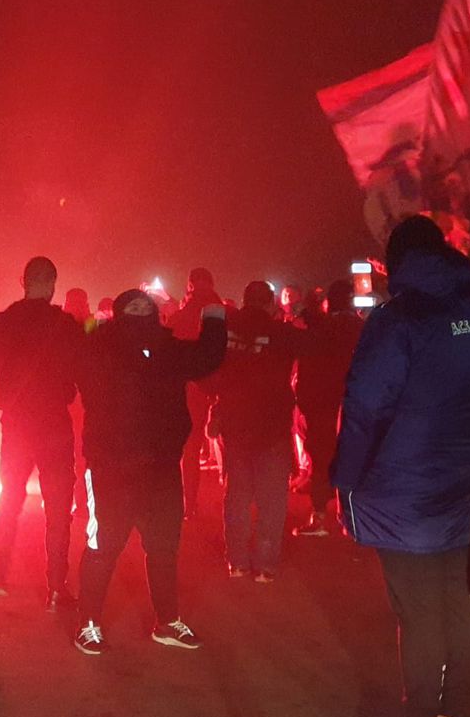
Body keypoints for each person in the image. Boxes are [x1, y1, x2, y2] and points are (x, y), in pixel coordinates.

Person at [333, 216, 470, 717]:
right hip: (457, 480)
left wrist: (345, 480)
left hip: (400, 485)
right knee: (452, 598)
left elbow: (363, 408)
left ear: (396, 260)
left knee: (418, 609)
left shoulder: (398, 319)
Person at [73, 289, 226, 654]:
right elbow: (73, 348)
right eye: (132, 306)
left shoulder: (168, 348)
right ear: (119, 312)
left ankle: (167, 620)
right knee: (103, 547)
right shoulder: (98, 346)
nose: (140, 312)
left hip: (160, 466)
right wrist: (93, 321)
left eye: (146, 306)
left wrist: (215, 320)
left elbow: (206, 358)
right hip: (112, 466)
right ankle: (88, 623)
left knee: (163, 547)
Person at [0, 257, 85, 609]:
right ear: (53, 283)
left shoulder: (3, 321)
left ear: (22, 280)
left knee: (9, 499)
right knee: (58, 507)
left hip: (16, 421)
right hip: (54, 421)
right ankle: (57, 586)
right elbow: (80, 365)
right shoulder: (66, 324)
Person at [210, 281, 303, 582]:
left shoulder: (225, 331)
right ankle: (265, 566)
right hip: (272, 424)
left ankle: (236, 562)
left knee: (236, 494)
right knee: (271, 499)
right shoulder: (281, 332)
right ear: (270, 303)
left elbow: (206, 368)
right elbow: (314, 344)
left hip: (236, 422)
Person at [293, 280, 363, 537]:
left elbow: (307, 368)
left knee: (321, 461)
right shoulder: (359, 327)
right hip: (352, 402)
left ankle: (319, 516)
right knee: (350, 458)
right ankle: (350, 518)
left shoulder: (321, 327)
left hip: (322, 404)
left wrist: (304, 402)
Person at [171, 267, 224, 518]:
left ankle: (189, 504)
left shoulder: (181, 315)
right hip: (225, 390)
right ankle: (234, 501)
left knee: (190, 451)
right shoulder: (225, 312)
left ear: (190, 285)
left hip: (189, 390)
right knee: (231, 448)